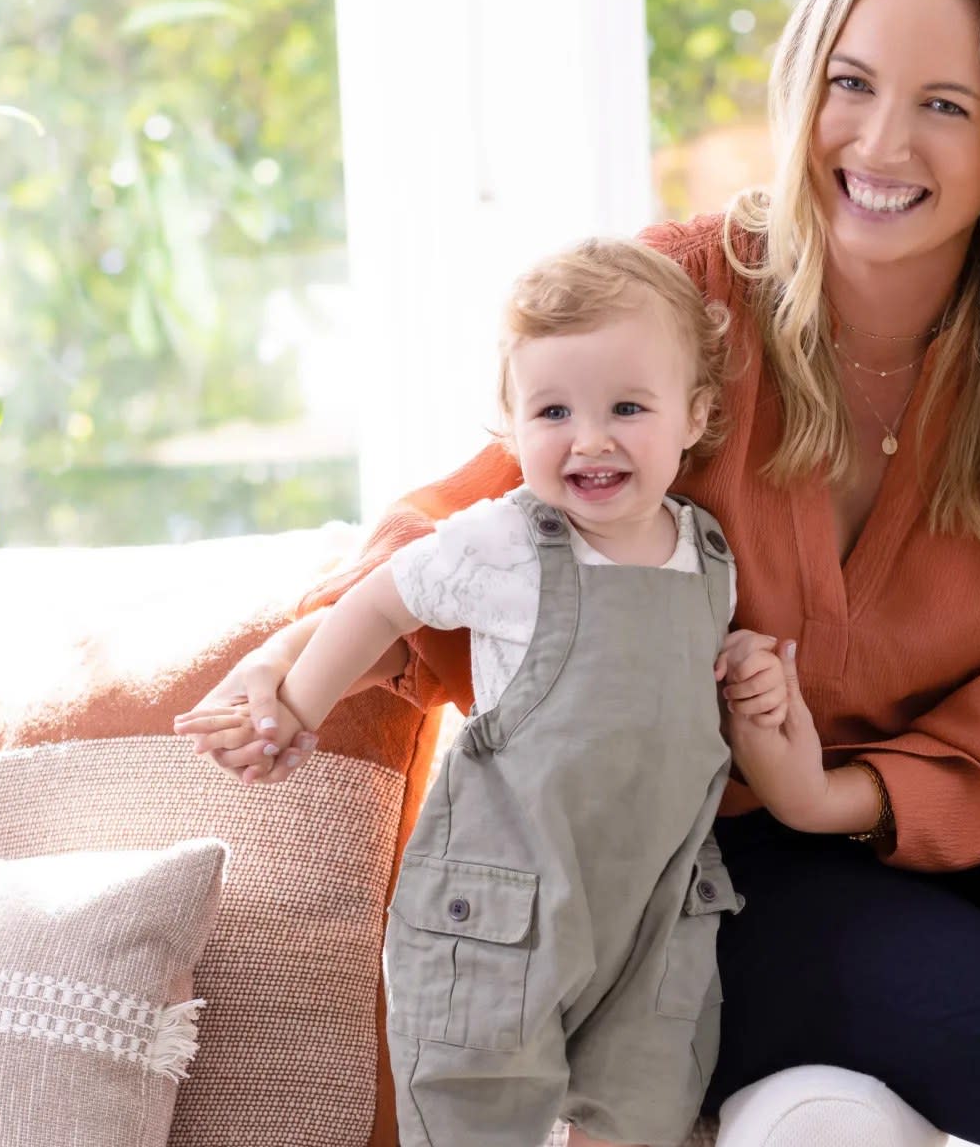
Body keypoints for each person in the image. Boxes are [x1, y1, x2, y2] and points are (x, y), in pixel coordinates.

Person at [179, 0, 980, 1146]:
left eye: (945, 106)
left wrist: (845, 792)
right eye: (850, 83)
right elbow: (481, 513)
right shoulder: (689, 296)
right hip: (734, 861)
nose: (879, 141)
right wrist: (300, 647)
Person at [176, 239, 787, 1147]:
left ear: (694, 415)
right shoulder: (505, 542)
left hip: (652, 919)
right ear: (510, 422)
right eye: (553, 411)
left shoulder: (708, 556)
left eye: (627, 406)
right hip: (505, 918)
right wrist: (297, 702)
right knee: (477, 1118)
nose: (590, 439)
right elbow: (382, 600)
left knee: (644, 1112)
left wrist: (744, 665)